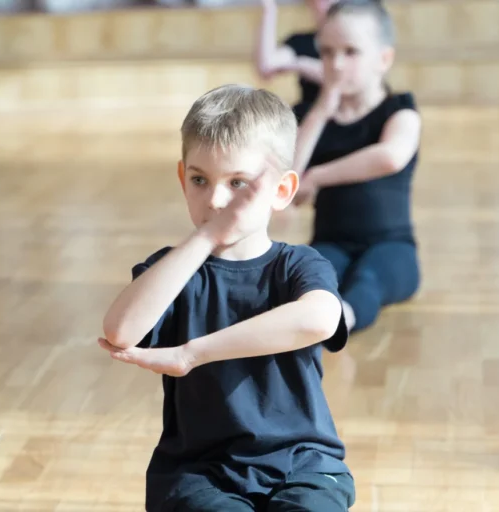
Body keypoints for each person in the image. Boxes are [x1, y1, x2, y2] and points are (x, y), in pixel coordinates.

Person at [98, 84, 355, 512]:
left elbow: (321, 319)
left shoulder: (300, 266)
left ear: (282, 190)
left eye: (238, 183)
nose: (216, 200)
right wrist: (206, 237)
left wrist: (192, 353)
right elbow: (120, 331)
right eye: (200, 180)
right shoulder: (171, 270)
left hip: (305, 466)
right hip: (198, 474)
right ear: (182, 179)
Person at [291, 0, 422, 333]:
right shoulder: (308, 117)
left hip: (391, 247)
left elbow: (390, 156)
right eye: (327, 52)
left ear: (384, 58)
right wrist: (321, 110)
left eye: (351, 52)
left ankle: (340, 323)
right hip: (330, 243)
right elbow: (289, 185)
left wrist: (319, 175)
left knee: (368, 279)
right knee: (308, 280)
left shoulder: (399, 111)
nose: (336, 64)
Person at [255, 0, 337, 110]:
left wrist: (300, 63)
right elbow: (267, 65)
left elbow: (339, 78)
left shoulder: (357, 41)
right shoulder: (301, 41)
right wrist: (269, 10)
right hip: (308, 114)